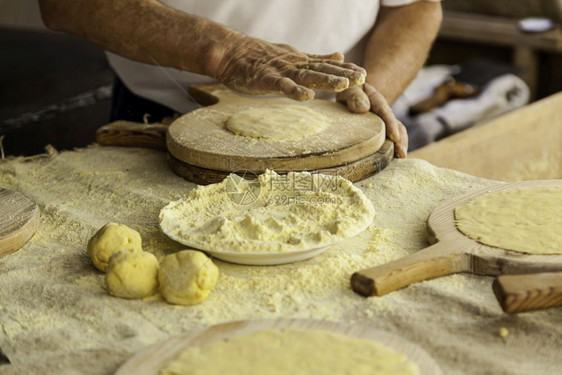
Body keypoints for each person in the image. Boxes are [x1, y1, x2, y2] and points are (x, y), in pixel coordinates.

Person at [39, 0, 442, 158]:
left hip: (344, 131)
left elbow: (414, 7)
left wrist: (370, 98)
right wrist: (227, 53)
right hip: (168, 118)